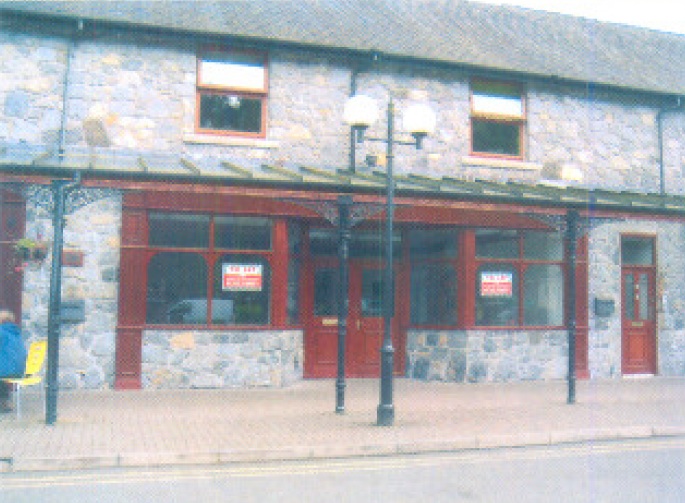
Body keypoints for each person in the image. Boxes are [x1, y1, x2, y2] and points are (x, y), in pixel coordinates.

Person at [0, 310, 27, 413]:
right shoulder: (16, 333)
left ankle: (3, 403)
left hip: (6, 370)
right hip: (19, 370)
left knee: (2, 375)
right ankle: (4, 403)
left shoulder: (1, 331)